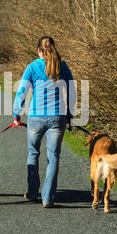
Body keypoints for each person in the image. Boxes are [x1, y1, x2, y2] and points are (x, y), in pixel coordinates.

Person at [13, 36, 75, 208]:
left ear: (38, 50)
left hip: (36, 118)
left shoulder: (32, 67)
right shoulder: (62, 66)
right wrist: (70, 115)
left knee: (33, 153)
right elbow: (71, 91)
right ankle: (48, 198)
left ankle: (33, 193)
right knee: (53, 157)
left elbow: (22, 92)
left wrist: (16, 114)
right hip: (58, 117)